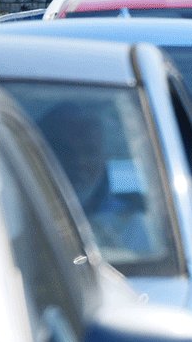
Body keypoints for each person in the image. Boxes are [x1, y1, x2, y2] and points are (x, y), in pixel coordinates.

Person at [38, 102, 153, 256]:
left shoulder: (131, 221)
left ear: (104, 157)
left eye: (89, 152)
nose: (79, 161)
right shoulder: (22, 208)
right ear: (42, 155)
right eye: (66, 152)